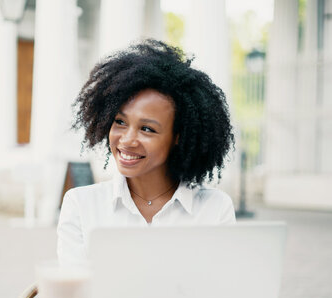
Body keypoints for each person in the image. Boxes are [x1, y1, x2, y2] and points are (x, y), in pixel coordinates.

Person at [57, 39, 235, 264]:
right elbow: (75, 293)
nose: (127, 140)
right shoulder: (81, 204)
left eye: (147, 129)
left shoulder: (215, 209)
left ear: (178, 138)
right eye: (120, 122)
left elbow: (221, 291)